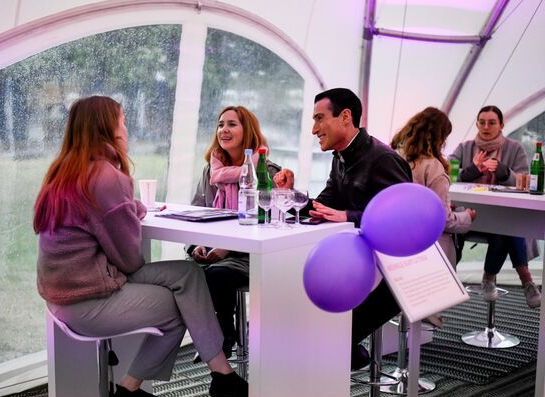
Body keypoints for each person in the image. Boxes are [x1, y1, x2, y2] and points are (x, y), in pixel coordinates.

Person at [34, 96, 247, 397]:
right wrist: (132, 212)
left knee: (189, 275)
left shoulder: (62, 173)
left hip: (67, 292)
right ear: (107, 128)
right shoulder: (106, 177)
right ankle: (130, 390)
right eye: (122, 122)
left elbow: (104, 216)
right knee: (182, 305)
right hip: (87, 299)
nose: (127, 129)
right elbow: (130, 260)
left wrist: (129, 208)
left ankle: (221, 372)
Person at [273, 88, 413, 370]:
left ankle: (347, 355)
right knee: (309, 322)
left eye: (319, 119)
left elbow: (403, 220)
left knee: (327, 337)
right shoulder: (340, 157)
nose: (314, 129)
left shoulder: (383, 159)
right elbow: (323, 208)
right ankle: (348, 355)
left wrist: (348, 216)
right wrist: (290, 195)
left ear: (345, 117)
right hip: (353, 268)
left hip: (391, 277)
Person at [188, 105, 281, 360]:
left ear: (247, 130)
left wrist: (227, 247)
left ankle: (222, 339)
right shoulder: (211, 171)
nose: (224, 130)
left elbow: (271, 223)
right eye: (220, 125)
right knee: (186, 274)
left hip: (250, 255)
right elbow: (196, 213)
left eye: (231, 124)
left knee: (216, 275)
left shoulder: (266, 171)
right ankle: (216, 339)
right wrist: (198, 244)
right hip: (214, 250)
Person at [450, 105, 541, 308]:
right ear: (476, 124)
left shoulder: (514, 148)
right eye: (482, 122)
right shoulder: (465, 147)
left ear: (501, 125)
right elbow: (449, 174)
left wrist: (504, 172)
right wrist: (473, 170)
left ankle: (489, 278)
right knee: (509, 226)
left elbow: (525, 180)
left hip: (499, 218)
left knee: (505, 227)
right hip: (468, 215)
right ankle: (524, 280)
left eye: (491, 122)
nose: (486, 127)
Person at [391, 107, 476, 267]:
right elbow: (443, 221)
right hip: (430, 248)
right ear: (439, 138)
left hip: (397, 239)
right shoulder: (433, 168)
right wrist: (467, 217)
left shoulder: (393, 158)